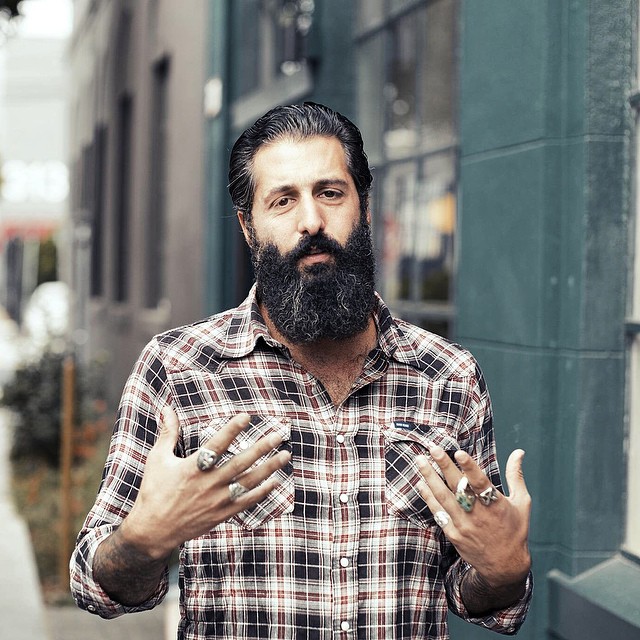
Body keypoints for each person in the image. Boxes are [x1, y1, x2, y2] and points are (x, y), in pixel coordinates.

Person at [70, 102, 532, 639]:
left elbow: (472, 590)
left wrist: (502, 573)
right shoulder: (179, 369)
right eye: (283, 200)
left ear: (362, 206)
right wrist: (144, 539)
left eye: (330, 193)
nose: (311, 221)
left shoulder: (449, 377)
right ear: (248, 227)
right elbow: (93, 584)